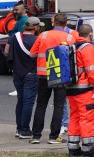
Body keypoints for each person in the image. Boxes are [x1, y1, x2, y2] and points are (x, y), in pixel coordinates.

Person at [65, 22, 94, 157]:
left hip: (71, 89)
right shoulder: (87, 48)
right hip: (84, 90)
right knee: (87, 119)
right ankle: (88, 148)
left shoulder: (73, 46)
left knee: (74, 117)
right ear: (90, 34)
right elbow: (92, 70)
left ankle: (73, 147)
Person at [30, 13, 74, 144]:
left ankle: (36, 136)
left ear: (53, 23)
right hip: (61, 76)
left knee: (41, 105)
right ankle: (54, 136)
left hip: (43, 75)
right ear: (65, 24)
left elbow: (32, 54)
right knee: (59, 105)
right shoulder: (69, 37)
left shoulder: (43, 35)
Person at [9, 17, 40, 140]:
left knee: (20, 101)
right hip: (31, 73)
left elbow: (7, 52)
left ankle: (19, 128)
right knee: (28, 102)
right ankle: (25, 130)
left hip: (17, 73)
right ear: (36, 27)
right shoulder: (37, 40)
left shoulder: (14, 38)